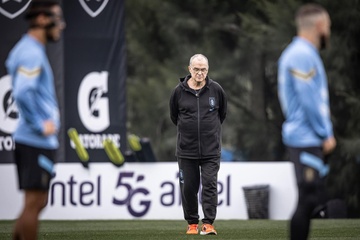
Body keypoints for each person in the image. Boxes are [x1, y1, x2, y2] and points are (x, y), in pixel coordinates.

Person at [5, 0, 65, 239]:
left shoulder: (30, 49)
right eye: (57, 18)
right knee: (34, 202)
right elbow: (21, 91)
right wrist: (40, 124)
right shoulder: (30, 52)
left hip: (36, 142)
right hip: (34, 140)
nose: (62, 24)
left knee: (37, 202)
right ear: (42, 19)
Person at [277, 4, 336, 240]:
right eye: (328, 26)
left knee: (312, 198)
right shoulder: (301, 54)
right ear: (320, 26)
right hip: (306, 137)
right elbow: (309, 99)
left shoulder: (303, 53)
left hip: (307, 137)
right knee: (309, 198)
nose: (329, 31)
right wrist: (325, 133)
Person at [169, 54, 227, 235]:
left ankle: (208, 223)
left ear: (207, 70)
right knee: (188, 188)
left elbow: (222, 115)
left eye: (203, 69)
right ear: (189, 69)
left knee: (209, 185)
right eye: (196, 69)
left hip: (211, 151)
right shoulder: (178, 91)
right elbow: (174, 117)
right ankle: (192, 223)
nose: (200, 73)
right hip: (186, 151)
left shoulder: (216, 90)